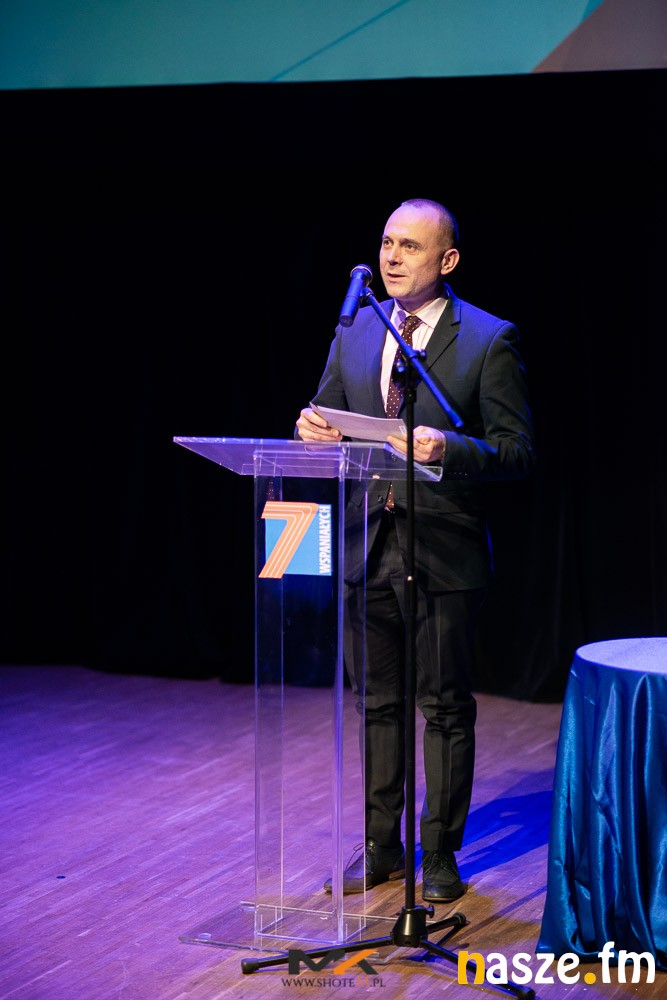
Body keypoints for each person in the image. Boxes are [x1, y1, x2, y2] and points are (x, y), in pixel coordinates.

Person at [296, 197, 535, 903]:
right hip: (366, 543)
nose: (391, 257)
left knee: (444, 706)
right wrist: (313, 430)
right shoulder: (355, 329)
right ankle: (381, 846)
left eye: (409, 246)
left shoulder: (488, 339)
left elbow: (517, 451)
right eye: (386, 243)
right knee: (376, 703)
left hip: (443, 548)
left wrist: (447, 448)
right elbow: (324, 412)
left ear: (447, 260)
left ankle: (439, 851)